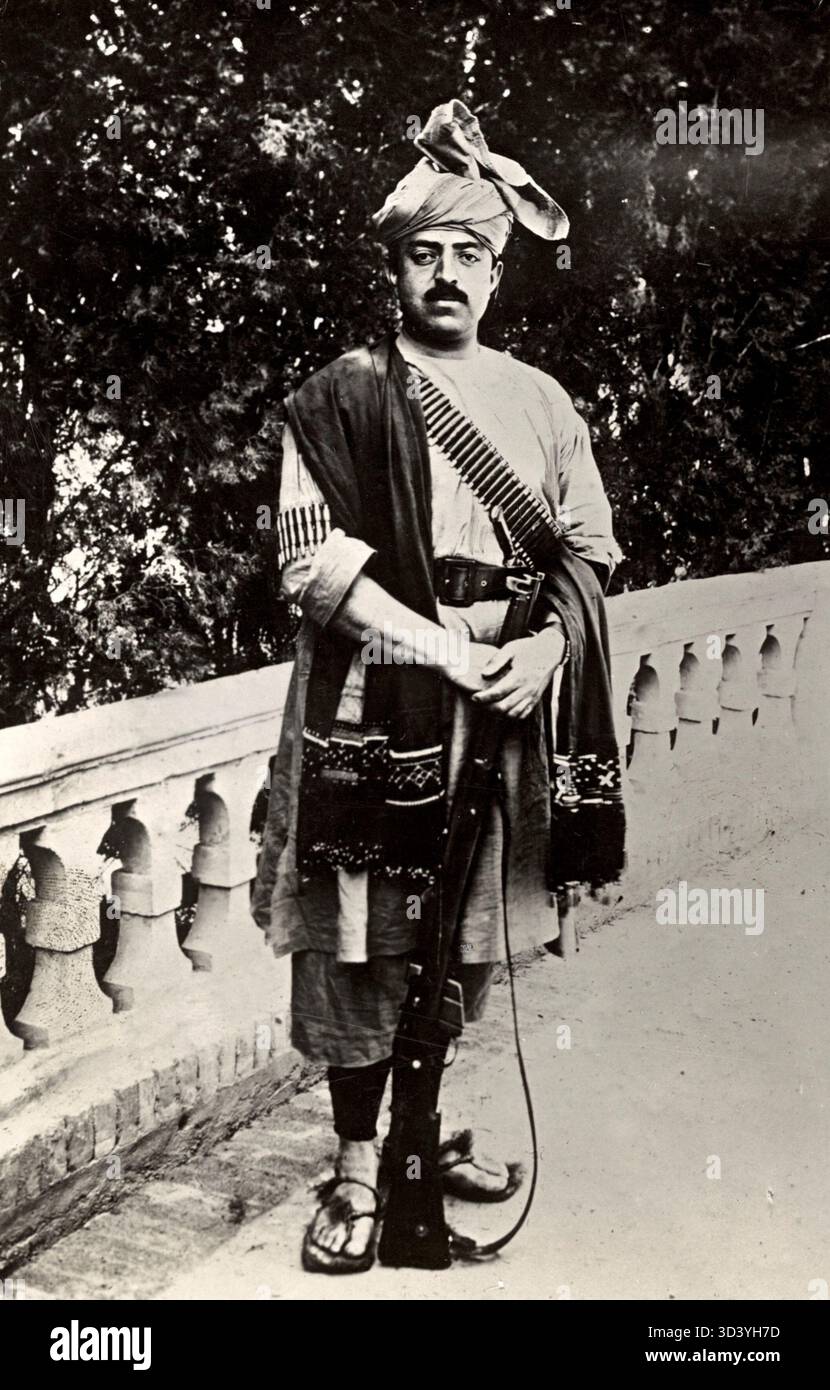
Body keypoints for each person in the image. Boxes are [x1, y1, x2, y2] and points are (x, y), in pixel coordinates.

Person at [252, 99, 624, 1274]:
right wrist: (447, 650)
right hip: (377, 700)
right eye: (426, 254)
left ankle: (420, 1124)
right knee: (361, 939)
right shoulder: (341, 397)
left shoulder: (540, 402)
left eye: (470, 254)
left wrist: (543, 651)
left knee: (464, 934)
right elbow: (310, 562)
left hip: (507, 708)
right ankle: (360, 1169)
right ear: (396, 268)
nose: (447, 274)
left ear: (497, 270)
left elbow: (588, 551)